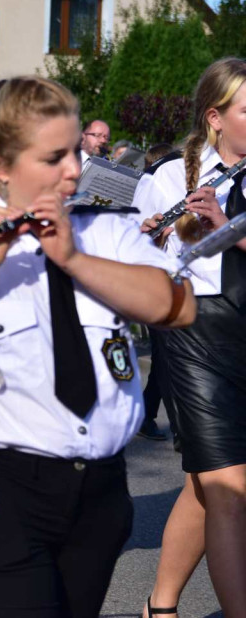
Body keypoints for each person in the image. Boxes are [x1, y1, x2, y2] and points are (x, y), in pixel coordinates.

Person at [0, 76, 195, 618]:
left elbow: (176, 306)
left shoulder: (107, 230)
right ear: (1, 165)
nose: (75, 168)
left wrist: (75, 259)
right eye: (54, 156)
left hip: (97, 489)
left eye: (76, 149)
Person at [137, 57, 246, 618]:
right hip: (194, 337)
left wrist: (225, 224)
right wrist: (149, 236)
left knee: (204, 486)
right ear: (216, 117)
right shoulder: (167, 177)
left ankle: (161, 605)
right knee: (230, 487)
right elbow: (135, 265)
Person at [133, 142, 182, 444]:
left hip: (173, 285)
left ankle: (148, 415)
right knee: (164, 360)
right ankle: (180, 430)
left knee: (164, 361)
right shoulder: (151, 185)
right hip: (155, 286)